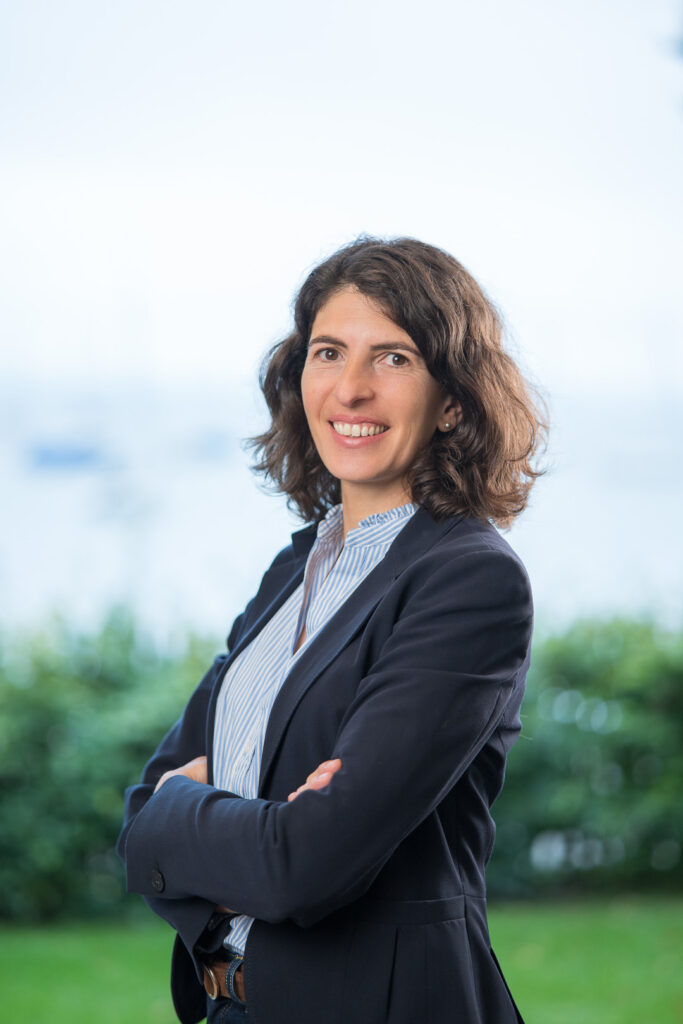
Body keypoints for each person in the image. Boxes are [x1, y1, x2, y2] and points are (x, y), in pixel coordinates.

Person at [117, 236, 546, 1024]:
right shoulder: (295, 568)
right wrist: (227, 828)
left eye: (393, 358)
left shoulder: (469, 581)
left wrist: (189, 818)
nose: (350, 389)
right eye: (328, 353)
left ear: (453, 401)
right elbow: (142, 814)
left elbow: (305, 865)